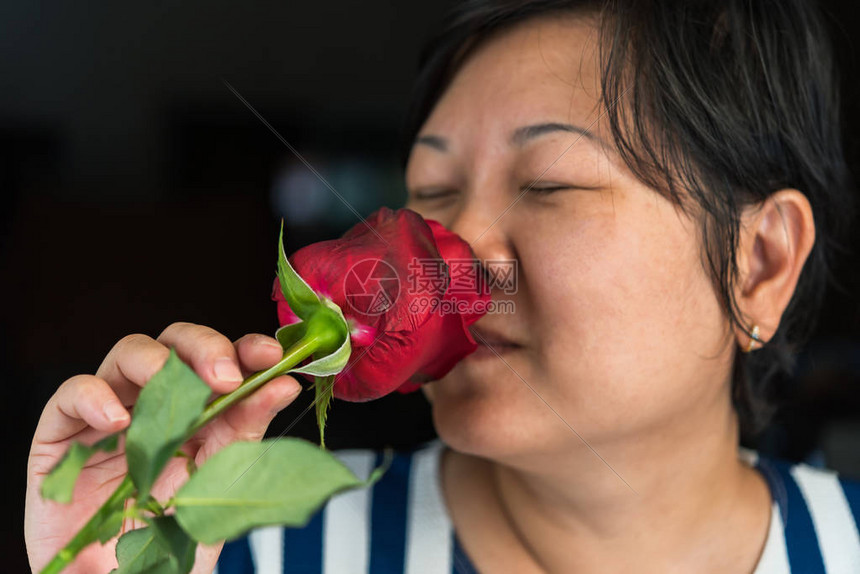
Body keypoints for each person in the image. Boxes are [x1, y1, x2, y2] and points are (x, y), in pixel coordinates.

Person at [25, 0, 860, 572]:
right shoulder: (246, 551)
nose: (453, 250)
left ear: (760, 264)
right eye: (429, 194)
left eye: (549, 185)